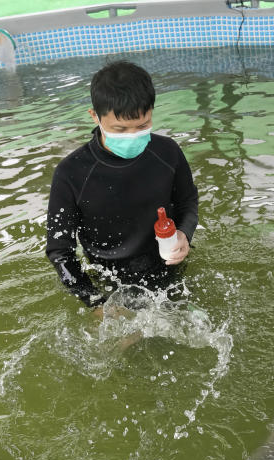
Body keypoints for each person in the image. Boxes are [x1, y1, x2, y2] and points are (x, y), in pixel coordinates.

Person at [45, 61, 199, 307]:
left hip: (167, 263)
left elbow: (187, 200)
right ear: (95, 116)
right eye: (120, 128)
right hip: (110, 279)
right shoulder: (71, 173)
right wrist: (94, 301)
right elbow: (59, 251)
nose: (131, 135)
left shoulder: (167, 152)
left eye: (142, 125)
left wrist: (184, 234)